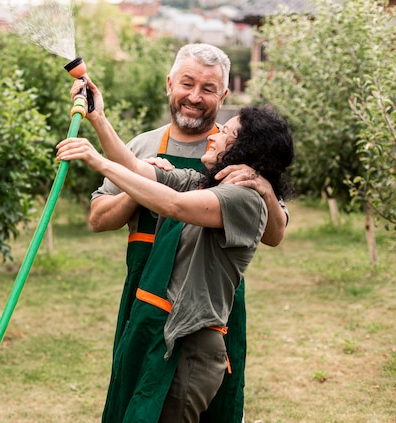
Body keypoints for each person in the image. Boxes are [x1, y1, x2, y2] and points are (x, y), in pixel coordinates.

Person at [81, 44, 289, 422]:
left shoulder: (242, 191)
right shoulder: (197, 177)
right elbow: (136, 174)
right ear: (170, 84)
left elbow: (174, 206)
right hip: (149, 299)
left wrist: (264, 186)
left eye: (208, 89)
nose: (195, 98)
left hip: (197, 319)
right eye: (187, 84)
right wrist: (99, 119)